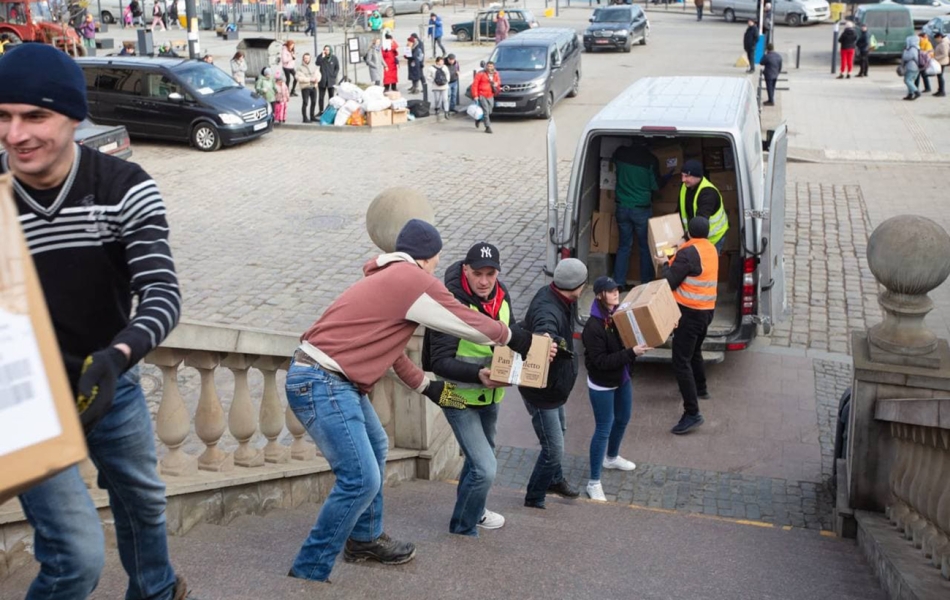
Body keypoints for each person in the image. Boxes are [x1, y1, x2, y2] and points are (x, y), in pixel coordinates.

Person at [0, 43, 191, 600]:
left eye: (35, 116)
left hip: (110, 380)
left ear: (75, 116)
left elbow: (161, 291)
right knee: (76, 559)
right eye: (3, 117)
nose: (15, 135)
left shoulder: (123, 186)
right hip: (27, 403)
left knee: (146, 500)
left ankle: (155, 590)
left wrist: (118, 355)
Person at [284, 219, 533, 583]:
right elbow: (462, 320)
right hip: (324, 381)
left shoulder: (385, 279)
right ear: (431, 258)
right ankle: (309, 569)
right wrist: (512, 337)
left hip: (328, 379)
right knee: (360, 479)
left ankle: (365, 539)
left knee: (377, 444)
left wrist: (427, 387)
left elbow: (392, 351)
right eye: (436, 261)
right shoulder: (412, 280)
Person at [426, 243, 527, 535]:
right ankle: (463, 526)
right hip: (455, 395)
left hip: (490, 394)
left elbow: (512, 332)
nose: (484, 281)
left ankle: (475, 510)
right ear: (465, 270)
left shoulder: (501, 293)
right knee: (485, 467)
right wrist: (478, 374)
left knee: (479, 458)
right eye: (478, 274)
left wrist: (536, 344)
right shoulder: (448, 305)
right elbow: (439, 362)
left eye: (491, 273)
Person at [521, 258, 587, 509]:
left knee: (560, 431)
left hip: (554, 388)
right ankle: (535, 496)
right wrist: (545, 339)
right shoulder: (548, 308)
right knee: (553, 449)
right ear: (578, 286)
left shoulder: (558, 296)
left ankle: (555, 479)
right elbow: (544, 327)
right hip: (541, 392)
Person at [582, 276, 648, 501]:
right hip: (601, 383)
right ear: (600, 295)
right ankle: (593, 482)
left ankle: (611, 457)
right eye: (610, 291)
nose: (616, 293)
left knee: (623, 418)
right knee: (604, 427)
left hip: (622, 377)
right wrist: (631, 353)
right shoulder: (593, 327)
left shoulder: (618, 314)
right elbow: (600, 361)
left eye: (617, 290)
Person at [661, 217, 718, 436]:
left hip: (690, 313)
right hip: (707, 311)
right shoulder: (710, 248)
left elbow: (669, 281)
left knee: (680, 361)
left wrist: (664, 263)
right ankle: (701, 388)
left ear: (688, 232)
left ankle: (692, 412)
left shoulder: (687, 253)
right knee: (694, 352)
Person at [612, 141, 673, 287]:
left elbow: (612, 163)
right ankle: (646, 283)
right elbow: (655, 186)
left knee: (624, 246)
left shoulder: (620, 152)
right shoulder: (650, 160)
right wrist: (667, 177)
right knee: (645, 247)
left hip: (622, 207)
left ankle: (619, 283)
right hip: (641, 210)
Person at [678, 160, 729, 254]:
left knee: (705, 266)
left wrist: (684, 240)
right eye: (682, 175)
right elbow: (681, 208)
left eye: (686, 176)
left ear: (698, 176)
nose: (683, 179)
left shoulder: (708, 194)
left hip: (713, 238)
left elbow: (700, 223)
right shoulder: (686, 186)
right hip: (694, 235)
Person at [471, 61, 500, 134]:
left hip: (490, 94)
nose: (489, 67)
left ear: (493, 67)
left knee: (490, 110)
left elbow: (498, 81)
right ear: (486, 66)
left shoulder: (495, 73)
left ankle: (478, 119)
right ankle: (487, 127)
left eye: (491, 66)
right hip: (482, 94)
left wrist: (496, 83)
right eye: (488, 66)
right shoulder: (480, 73)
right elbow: (475, 85)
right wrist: (475, 95)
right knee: (486, 111)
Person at [296, 52, 320, 122]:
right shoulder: (300, 68)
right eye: (305, 58)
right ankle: (305, 118)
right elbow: (299, 78)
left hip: (313, 86)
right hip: (305, 87)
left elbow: (318, 74)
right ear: (303, 59)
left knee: (314, 102)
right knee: (305, 102)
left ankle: (312, 116)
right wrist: (310, 79)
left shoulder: (314, 66)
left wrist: (317, 79)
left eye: (308, 58)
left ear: (310, 58)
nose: (306, 59)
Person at [316, 44, 339, 115]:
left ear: (330, 50)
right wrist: (322, 56)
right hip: (322, 81)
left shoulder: (334, 58)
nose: (326, 51)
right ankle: (321, 111)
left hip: (331, 81)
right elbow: (317, 63)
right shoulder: (321, 57)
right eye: (325, 49)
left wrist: (334, 75)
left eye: (328, 50)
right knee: (321, 97)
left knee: (331, 97)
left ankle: (330, 111)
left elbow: (337, 67)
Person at [425, 55, 451, 120]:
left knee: (445, 99)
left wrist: (447, 80)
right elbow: (428, 76)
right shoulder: (431, 68)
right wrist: (433, 80)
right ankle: (437, 108)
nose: (441, 63)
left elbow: (448, 74)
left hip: (444, 86)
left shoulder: (445, 67)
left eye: (442, 61)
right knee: (437, 99)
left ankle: (446, 112)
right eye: (440, 61)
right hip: (436, 86)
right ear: (437, 62)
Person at [902, 35, 921, 100]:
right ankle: (910, 94)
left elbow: (907, 57)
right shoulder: (917, 47)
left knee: (907, 80)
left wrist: (904, 53)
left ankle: (916, 91)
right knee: (911, 81)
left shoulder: (912, 48)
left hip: (912, 66)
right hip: (916, 67)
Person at [934, 31, 949, 96]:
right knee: (939, 76)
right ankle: (940, 90)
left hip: (942, 62)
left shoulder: (943, 44)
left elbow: (944, 54)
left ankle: (942, 91)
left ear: (939, 37)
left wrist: (936, 58)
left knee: (940, 76)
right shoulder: (942, 42)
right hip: (941, 61)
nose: (936, 40)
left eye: (936, 39)